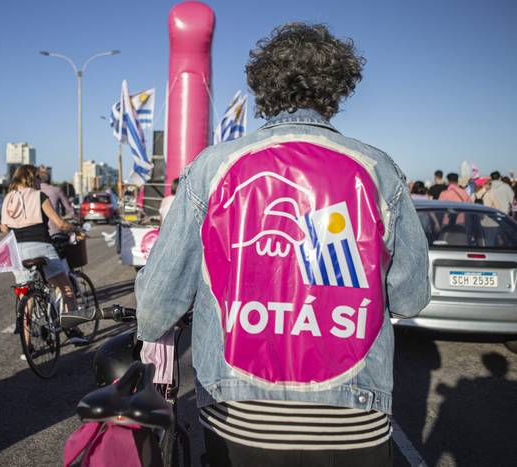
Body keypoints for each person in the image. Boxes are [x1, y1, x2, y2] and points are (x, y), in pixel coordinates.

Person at [135, 23, 429, 467]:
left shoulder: (214, 167)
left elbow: (157, 304)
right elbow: (411, 296)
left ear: (263, 88)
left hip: (240, 416)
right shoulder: (377, 169)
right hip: (352, 418)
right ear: (337, 90)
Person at [0, 165, 90, 335]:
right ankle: (73, 330)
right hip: (42, 247)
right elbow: (61, 224)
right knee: (67, 289)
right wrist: (77, 230)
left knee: (26, 298)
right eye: (38, 177)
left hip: (18, 252)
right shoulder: (39, 196)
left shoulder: (8, 198)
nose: (40, 180)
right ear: (31, 178)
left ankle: (28, 346)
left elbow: (4, 229)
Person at [37, 165, 76, 235]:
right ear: (49, 179)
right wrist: (77, 218)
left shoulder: (34, 192)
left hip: (37, 233)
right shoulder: (56, 190)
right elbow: (69, 209)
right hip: (55, 231)